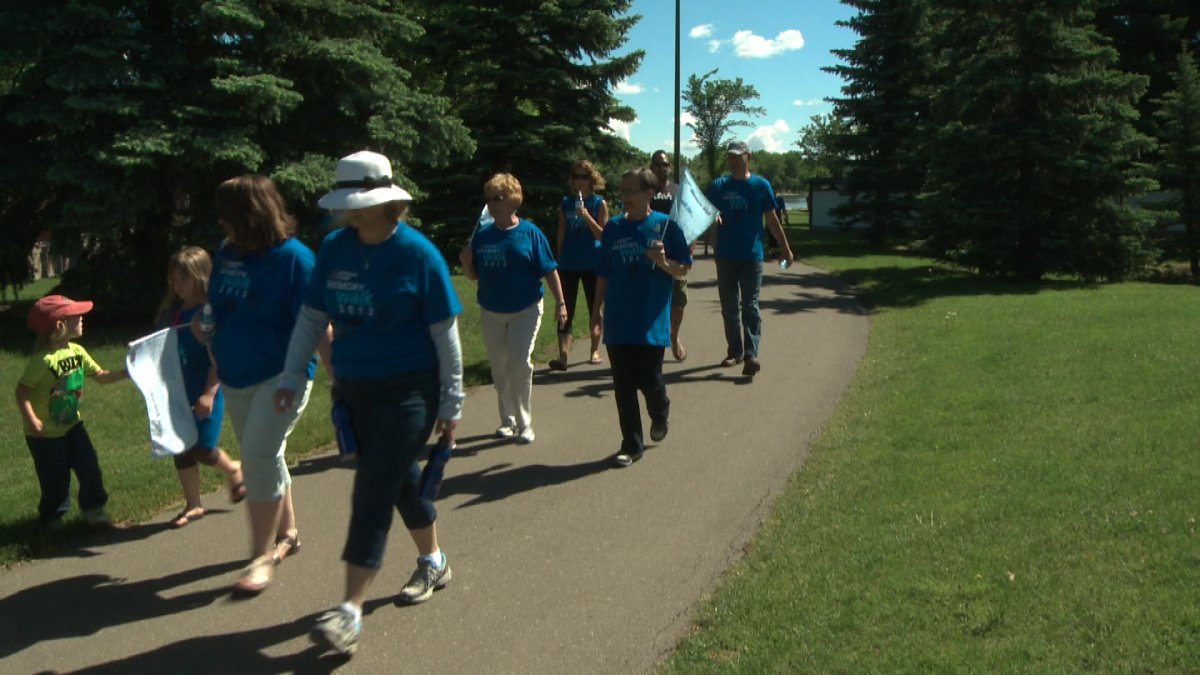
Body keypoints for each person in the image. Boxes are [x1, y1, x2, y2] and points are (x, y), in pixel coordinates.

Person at [273, 150, 465, 656]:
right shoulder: (334, 248)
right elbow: (313, 318)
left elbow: (445, 336)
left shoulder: (418, 254)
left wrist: (452, 401)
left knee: (372, 488)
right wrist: (293, 374)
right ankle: (435, 560)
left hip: (410, 391)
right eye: (348, 202)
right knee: (397, 482)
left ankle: (349, 612)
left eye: (362, 202)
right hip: (354, 389)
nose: (352, 211)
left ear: (387, 203)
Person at [208, 174, 326, 595]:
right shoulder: (228, 254)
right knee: (263, 455)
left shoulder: (295, 260)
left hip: (282, 376)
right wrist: (206, 328)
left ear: (249, 215)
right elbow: (219, 305)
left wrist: (342, 386)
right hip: (236, 374)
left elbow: (318, 325)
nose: (221, 223)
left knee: (257, 456)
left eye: (227, 215)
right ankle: (289, 534)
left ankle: (260, 558)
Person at [591, 168, 692, 468]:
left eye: (631, 191)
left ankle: (660, 411)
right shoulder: (613, 229)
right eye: (622, 191)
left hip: (651, 320)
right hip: (619, 320)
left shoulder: (665, 227)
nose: (625, 197)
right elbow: (603, 273)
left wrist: (663, 261)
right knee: (623, 385)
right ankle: (631, 445)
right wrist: (596, 309)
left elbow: (683, 269)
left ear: (648, 194)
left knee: (649, 379)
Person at [459, 173, 568, 445]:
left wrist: (562, 303)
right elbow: (474, 277)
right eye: (490, 199)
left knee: (519, 364)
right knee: (499, 367)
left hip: (526, 308)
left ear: (513, 200)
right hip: (492, 310)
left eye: (499, 198)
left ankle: (524, 423)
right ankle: (506, 420)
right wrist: (465, 263)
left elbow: (549, 270)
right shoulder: (483, 236)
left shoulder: (530, 233)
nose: (493, 204)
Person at [15, 295, 129, 527]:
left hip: (73, 425)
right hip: (45, 434)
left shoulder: (77, 351)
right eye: (76, 315)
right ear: (60, 325)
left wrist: (127, 372)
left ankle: (94, 509)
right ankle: (52, 517)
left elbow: (101, 376)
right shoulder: (43, 360)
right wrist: (32, 419)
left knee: (89, 467)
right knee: (54, 479)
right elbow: (21, 392)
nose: (82, 319)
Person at [155, 246, 246, 529]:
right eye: (174, 279)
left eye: (184, 279)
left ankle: (234, 469)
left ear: (201, 276)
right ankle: (193, 504)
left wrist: (209, 392)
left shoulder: (208, 312)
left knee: (203, 448)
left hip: (206, 389)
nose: (177, 285)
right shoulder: (173, 313)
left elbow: (218, 357)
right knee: (180, 449)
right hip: (176, 390)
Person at [707, 140, 795, 379]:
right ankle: (734, 351)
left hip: (752, 256)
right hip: (725, 255)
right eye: (730, 157)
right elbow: (708, 215)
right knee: (729, 308)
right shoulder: (718, 185)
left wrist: (785, 248)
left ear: (749, 157)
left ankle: (750, 355)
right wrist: (712, 224)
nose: (734, 160)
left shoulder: (761, 185)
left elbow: (772, 219)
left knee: (750, 305)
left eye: (738, 156)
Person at [550, 160, 608, 370]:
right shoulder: (566, 203)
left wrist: (586, 216)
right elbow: (561, 234)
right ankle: (563, 355)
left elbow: (603, 236)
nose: (579, 181)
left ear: (591, 179)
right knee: (566, 309)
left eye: (583, 176)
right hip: (568, 263)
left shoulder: (598, 203)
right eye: (576, 176)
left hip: (593, 262)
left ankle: (594, 350)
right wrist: (558, 259)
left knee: (595, 307)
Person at [648, 150, 690, 362]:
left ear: (670, 167)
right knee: (650, 297)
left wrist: (688, 245)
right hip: (651, 253)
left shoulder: (678, 191)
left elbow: (688, 220)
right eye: (657, 164)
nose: (661, 168)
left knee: (678, 299)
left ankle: (673, 336)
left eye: (664, 164)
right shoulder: (645, 191)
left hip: (675, 254)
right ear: (651, 167)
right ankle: (651, 340)